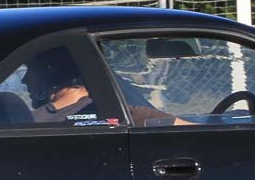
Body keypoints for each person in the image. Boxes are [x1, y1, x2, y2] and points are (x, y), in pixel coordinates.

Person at [21, 50, 177, 126]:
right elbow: (187, 130)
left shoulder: (25, 123)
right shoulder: (125, 115)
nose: (24, 80)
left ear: (49, 74)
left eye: (30, 71)